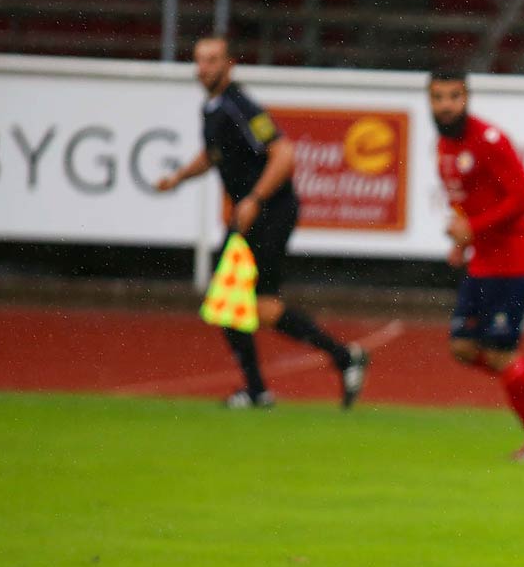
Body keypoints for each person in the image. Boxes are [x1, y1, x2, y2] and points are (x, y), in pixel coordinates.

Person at [155, 36, 368, 409]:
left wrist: (254, 199)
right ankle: (342, 358)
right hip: (254, 214)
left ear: (230, 64)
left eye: (213, 60)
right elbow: (213, 154)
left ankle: (259, 389)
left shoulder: (240, 106)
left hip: (270, 211)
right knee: (260, 306)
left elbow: (283, 153)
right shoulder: (213, 109)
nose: (204, 67)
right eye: (200, 60)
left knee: (231, 298)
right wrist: (178, 178)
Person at [429, 70, 524, 461]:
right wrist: (463, 245)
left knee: (500, 354)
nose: (446, 105)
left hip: (515, 264)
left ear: (466, 98)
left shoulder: (488, 140)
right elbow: (464, 202)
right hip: (483, 264)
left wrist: (473, 229)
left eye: (453, 96)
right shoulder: (444, 147)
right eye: (438, 97)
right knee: (463, 346)